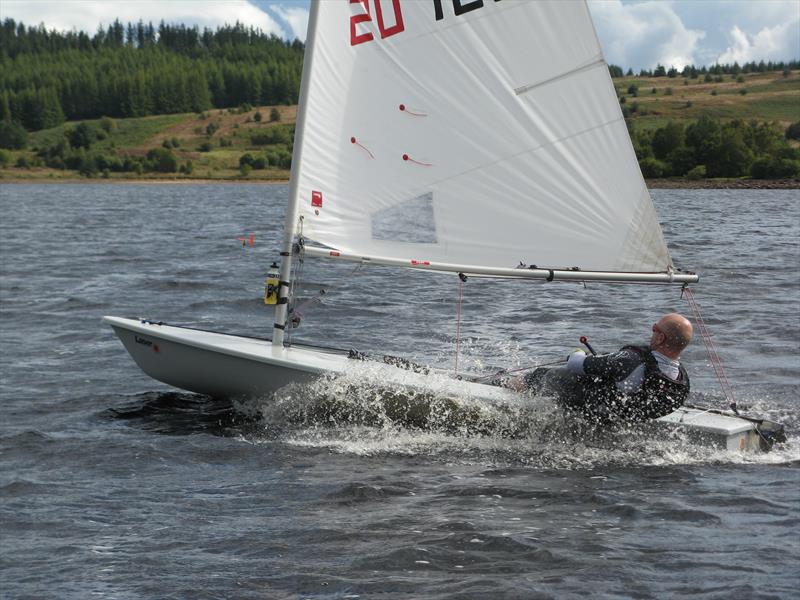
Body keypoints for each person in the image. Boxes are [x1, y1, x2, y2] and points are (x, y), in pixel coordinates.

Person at [513, 313, 693, 424]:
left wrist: (577, 353)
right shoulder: (681, 380)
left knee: (548, 374)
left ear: (661, 338)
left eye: (655, 328)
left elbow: (576, 364)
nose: (651, 332)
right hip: (622, 417)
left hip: (593, 409)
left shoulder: (632, 359)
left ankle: (514, 385)